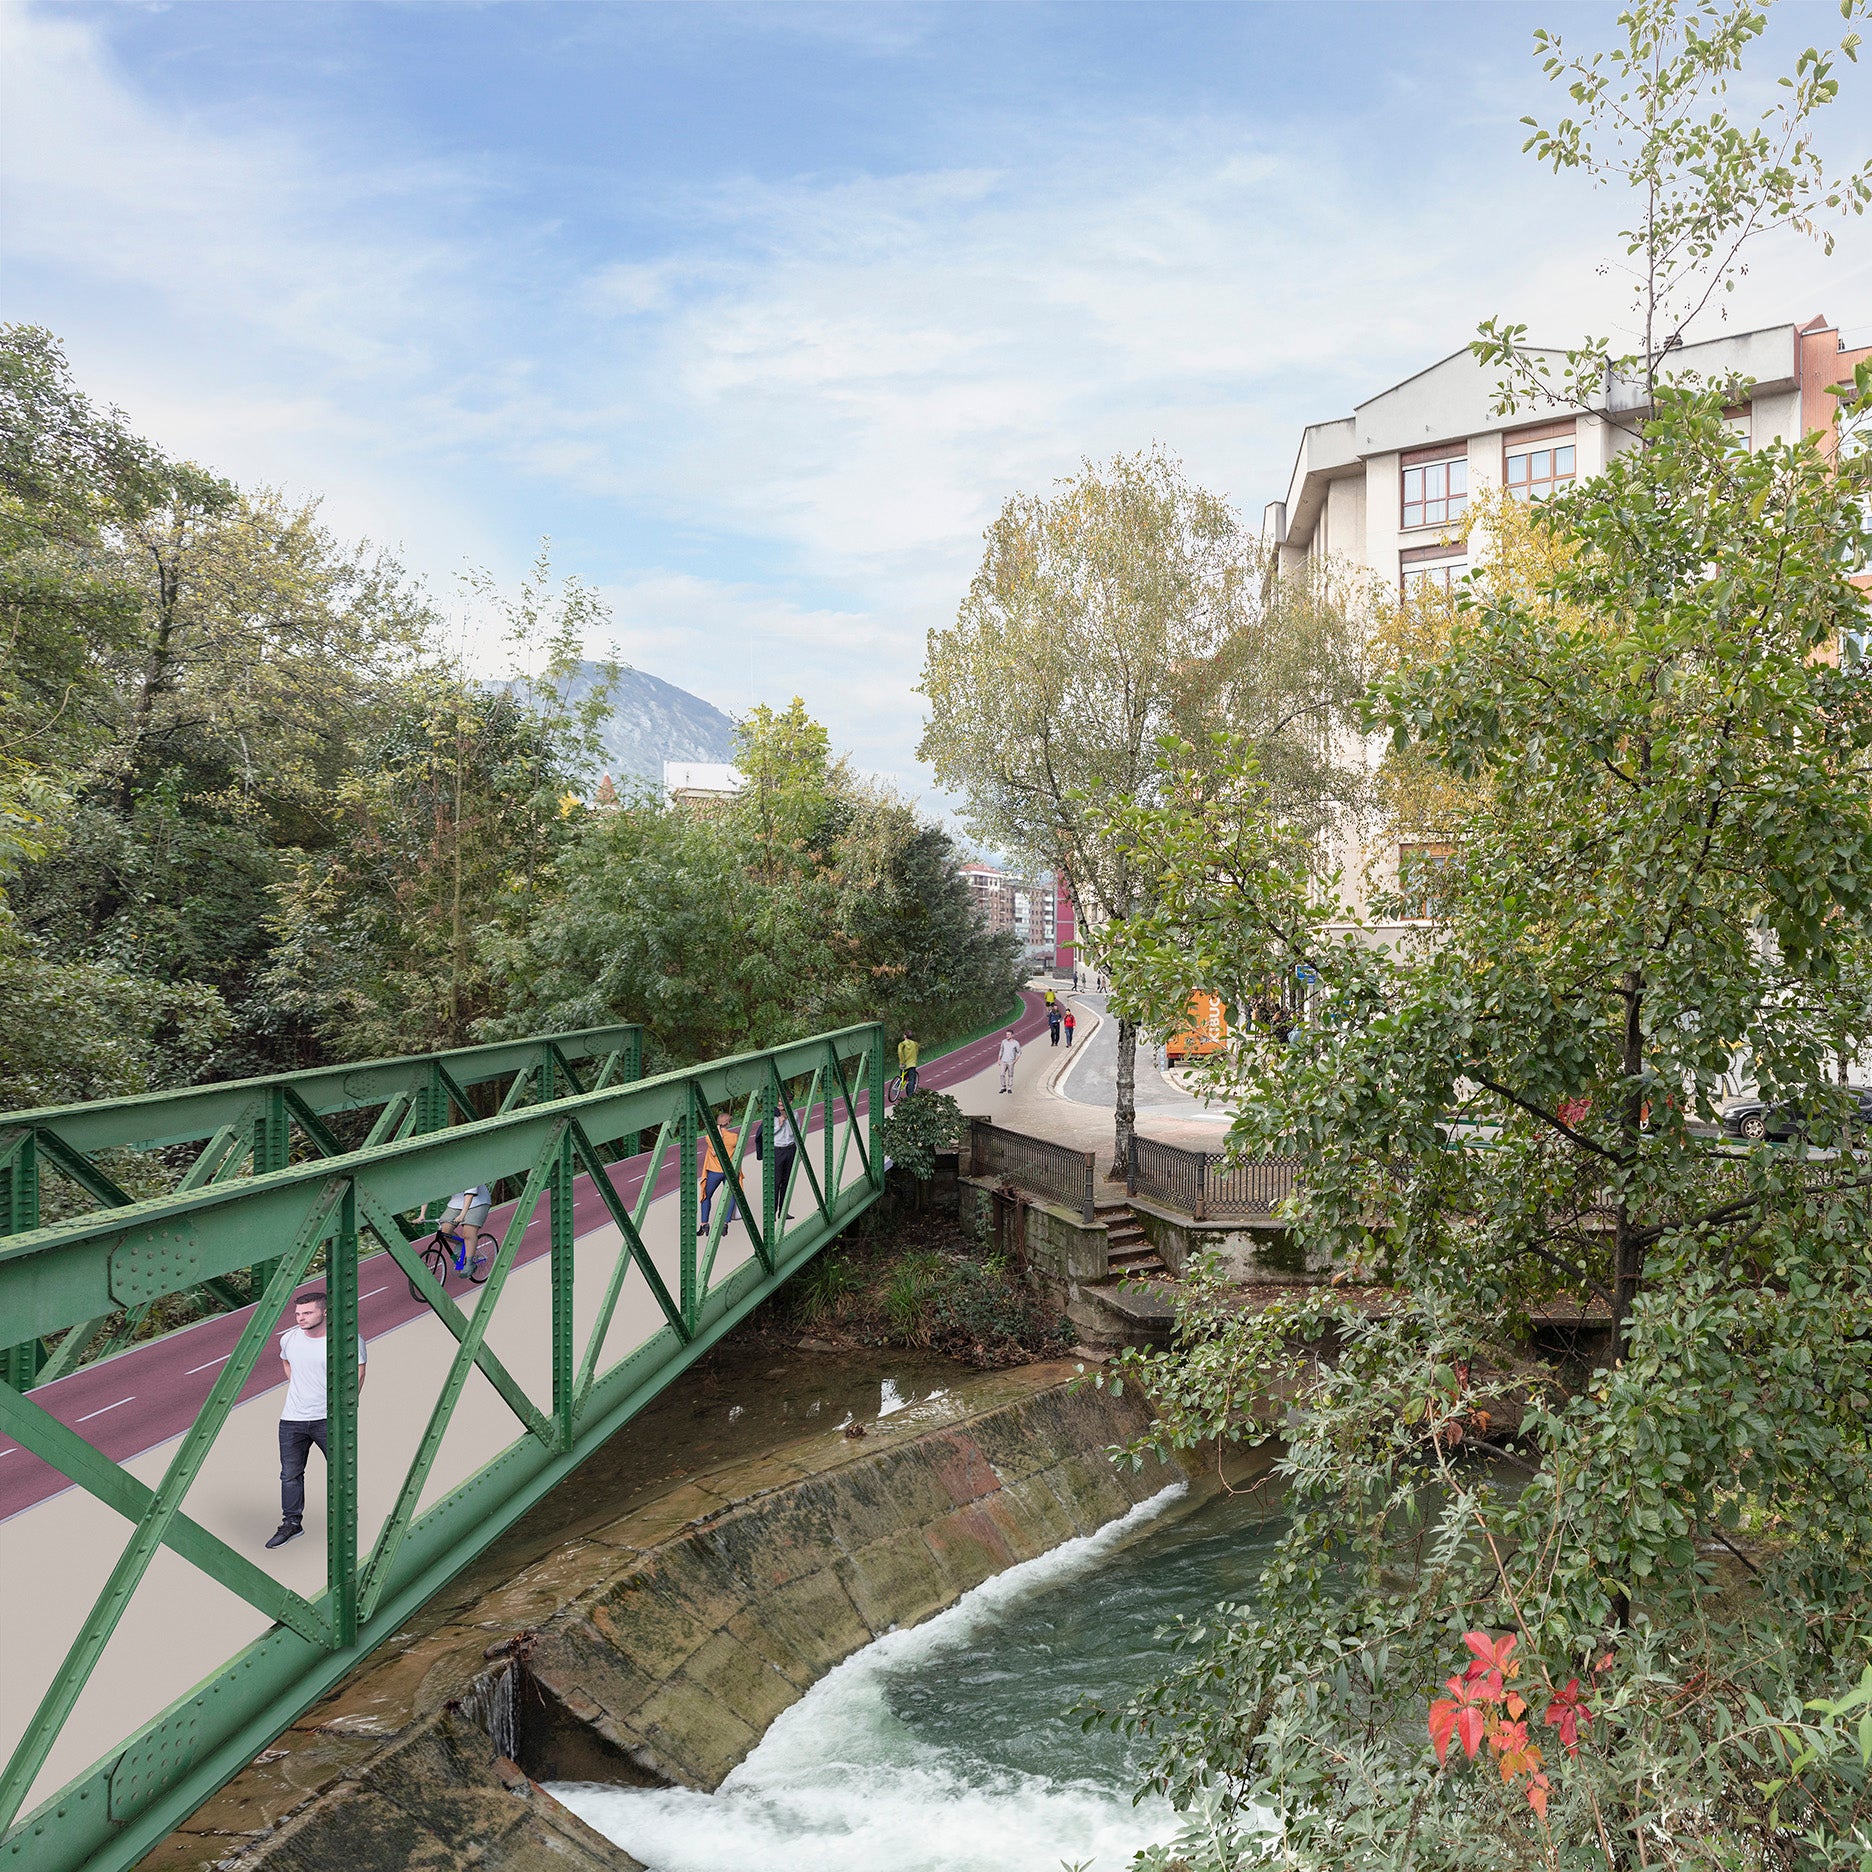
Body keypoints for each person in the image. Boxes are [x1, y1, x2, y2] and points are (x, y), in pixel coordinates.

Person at [268, 1290, 366, 1550]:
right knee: (289, 1474)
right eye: (298, 1313)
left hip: (328, 1419)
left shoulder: (347, 1339)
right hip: (292, 1419)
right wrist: (298, 1386)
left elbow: (358, 1371)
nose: (301, 1318)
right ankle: (291, 1523)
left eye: (307, 1312)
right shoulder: (289, 1338)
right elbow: (287, 1362)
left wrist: (345, 1406)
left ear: (325, 1312)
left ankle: (346, 1517)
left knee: (340, 1469)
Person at [698, 1112, 740, 1234]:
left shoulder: (709, 1137)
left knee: (706, 1196)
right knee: (730, 1196)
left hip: (714, 1171)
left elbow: (715, 1152)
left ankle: (704, 1224)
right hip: (729, 1170)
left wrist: (717, 1133)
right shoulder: (734, 1137)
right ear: (728, 1123)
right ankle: (725, 1223)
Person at [755, 1110, 798, 1220]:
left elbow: (796, 1133)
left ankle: (783, 1212)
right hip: (776, 1151)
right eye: (779, 1104)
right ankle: (772, 1213)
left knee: (786, 1182)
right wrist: (780, 1124)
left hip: (790, 1149)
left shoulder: (794, 1114)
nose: (781, 1106)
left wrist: (799, 1152)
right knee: (775, 1182)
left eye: (783, 1103)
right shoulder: (771, 1116)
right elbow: (767, 1133)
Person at [438, 1183, 492, 1271]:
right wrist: (422, 1215)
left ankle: (470, 1263)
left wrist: (462, 1215)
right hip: (456, 1203)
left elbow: (470, 1194)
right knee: (444, 1232)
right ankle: (460, 1243)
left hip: (478, 1202)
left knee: (468, 1233)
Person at [897, 1031, 919, 1098]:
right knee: (911, 1080)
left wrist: (901, 1062)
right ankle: (910, 1096)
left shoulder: (902, 1044)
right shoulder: (915, 1044)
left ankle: (897, 1088)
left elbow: (900, 1052)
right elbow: (917, 1052)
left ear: (905, 1036)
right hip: (912, 1064)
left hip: (904, 1064)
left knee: (902, 1077)